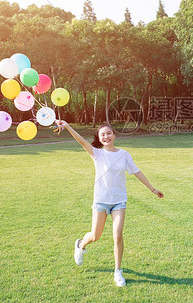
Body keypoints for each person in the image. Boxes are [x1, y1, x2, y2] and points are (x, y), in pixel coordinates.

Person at [54, 120, 164, 287]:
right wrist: (68, 126)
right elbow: (82, 141)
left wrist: (152, 189)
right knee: (95, 236)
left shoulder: (124, 154)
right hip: (101, 201)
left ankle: (118, 271)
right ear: (99, 138)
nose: (106, 136)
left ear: (114, 135)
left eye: (108, 133)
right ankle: (80, 244)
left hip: (119, 201)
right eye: (102, 134)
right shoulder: (97, 153)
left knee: (118, 234)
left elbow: (137, 172)